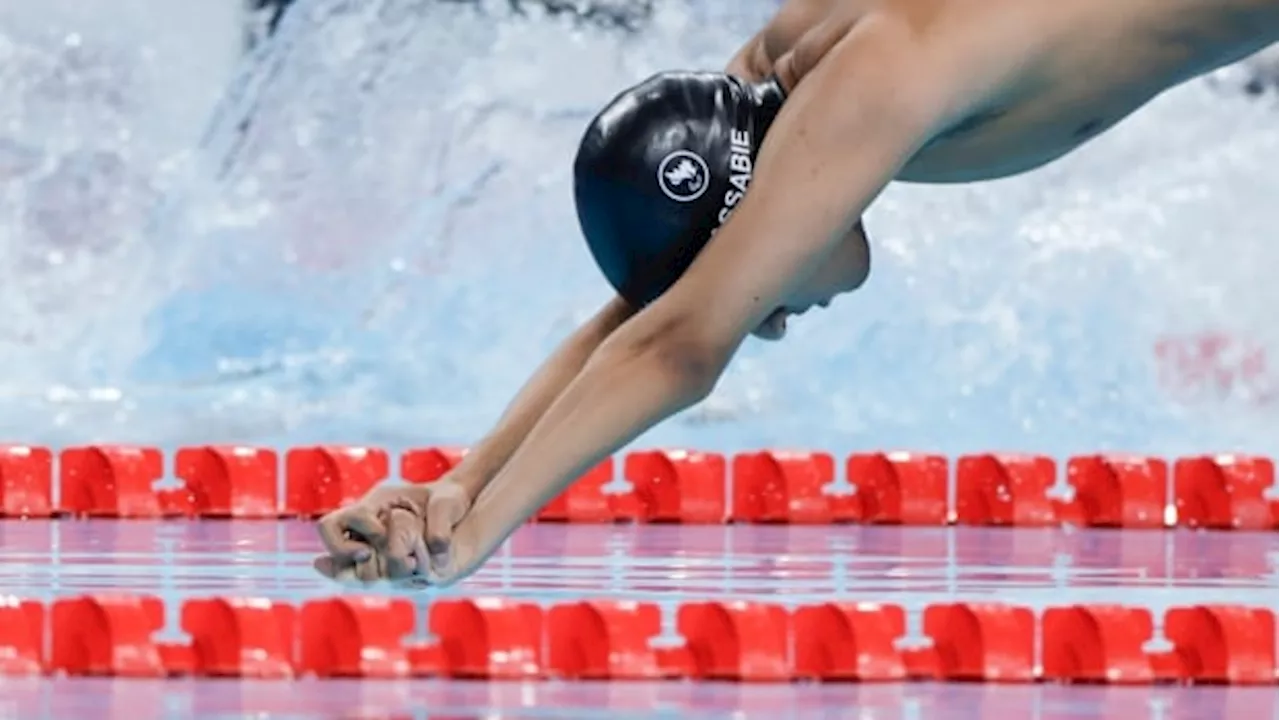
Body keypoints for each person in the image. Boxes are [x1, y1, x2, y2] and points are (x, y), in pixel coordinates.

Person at [313, 0, 1280, 587]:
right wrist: (457, 483)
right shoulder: (773, 81)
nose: (768, 315)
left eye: (745, 277)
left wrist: (475, 536)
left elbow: (679, 345)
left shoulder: (869, 82)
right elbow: (661, 316)